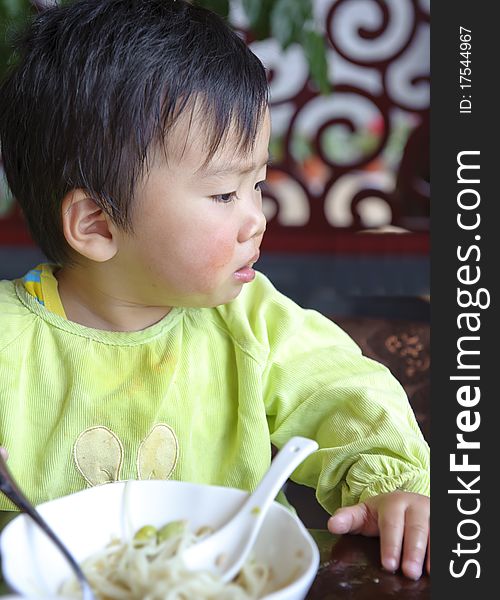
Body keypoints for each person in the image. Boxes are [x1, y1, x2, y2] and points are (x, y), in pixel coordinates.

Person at [0, 0, 430, 582]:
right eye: (225, 194)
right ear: (98, 225)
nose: (257, 216)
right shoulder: (10, 341)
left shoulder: (250, 320)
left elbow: (347, 393)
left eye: (257, 182)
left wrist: (391, 487)